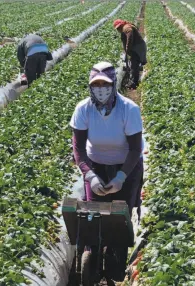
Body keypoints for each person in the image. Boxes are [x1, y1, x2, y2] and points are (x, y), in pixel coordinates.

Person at [70, 61, 144, 282]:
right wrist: (90, 175)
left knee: (119, 217)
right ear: (90, 86)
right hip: (96, 166)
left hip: (126, 167)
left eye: (105, 84)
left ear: (114, 85)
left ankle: (117, 260)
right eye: (96, 84)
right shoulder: (83, 109)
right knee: (93, 217)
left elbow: (134, 149)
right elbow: (78, 149)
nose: (101, 89)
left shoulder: (128, 109)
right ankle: (92, 254)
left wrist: (121, 177)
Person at [113, 19, 147, 90]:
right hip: (137, 47)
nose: (118, 29)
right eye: (117, 28)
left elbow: (130, 35)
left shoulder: (126, 27)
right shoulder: (125, 28)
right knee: (134, 64)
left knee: (134, 65)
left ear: (121, 24)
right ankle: (133, 81)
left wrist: (128, 48)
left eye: (119, 27)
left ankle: (134, 83)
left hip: (138, 48)